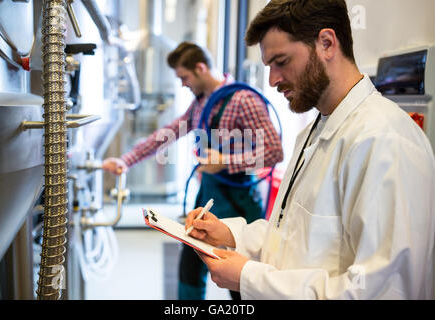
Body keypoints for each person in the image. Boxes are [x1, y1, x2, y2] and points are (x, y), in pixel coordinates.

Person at [186, 0, 435, 299]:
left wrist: (250, 277)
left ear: (327, 44)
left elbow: (382, 291)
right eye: (269, 66)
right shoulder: (314, 131)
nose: (273, 80)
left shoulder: (385, 141)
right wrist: (231, 234)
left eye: (281, 61)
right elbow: (293, 236)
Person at [102, 42, 284, 300]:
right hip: (208, 196)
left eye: (184, 77)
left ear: (200, 68)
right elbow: (167, 134)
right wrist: (126, 161)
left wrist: (226, 161)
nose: (182, 84)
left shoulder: (245, 100)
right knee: (189, 268)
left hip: (239, 201)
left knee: (239, 280)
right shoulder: (201, 102)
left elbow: (275, 151)